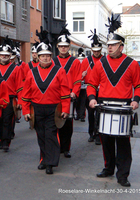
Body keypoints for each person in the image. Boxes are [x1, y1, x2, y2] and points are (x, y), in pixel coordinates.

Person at [87, 14, 140, 187]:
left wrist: (135, 100)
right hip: (104, 106)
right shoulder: (100, 63)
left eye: (113, 45)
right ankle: (108, 168)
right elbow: (91, 84)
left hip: (123, 107)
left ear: (121, 46)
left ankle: (123, 175)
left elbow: (139, 85)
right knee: (106, 141)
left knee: (123, 144)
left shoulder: (132, 64)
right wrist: (91, 98)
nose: (109, 48)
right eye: (108, 45)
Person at [22, 26, 70, 174]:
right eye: (42, 56)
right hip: (37, 108)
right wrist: (25, 110)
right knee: (41, 136)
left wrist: (65, 110)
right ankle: (43, 158)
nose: (45, 58)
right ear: (38, 56)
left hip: (53, 108)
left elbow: (65, 92)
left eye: (48, 56)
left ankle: (50, 163)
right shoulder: (31, 72)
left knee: (50, 136)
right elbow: (26, 93)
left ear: (51, 56)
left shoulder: (59, 71)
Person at [52, 24, 82, 158]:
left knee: (67, 124)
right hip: (55, 96)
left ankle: (66, 148)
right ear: (57, 47)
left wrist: (74, 92)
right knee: (55, 122)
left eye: (65, 46)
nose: (63, 48)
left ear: (69, 47)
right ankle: (57, 146)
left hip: (69, 95)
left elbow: (77, 80)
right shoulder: (53, 61)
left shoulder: (75, 62)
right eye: (61, 46)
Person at [0, 36, 23, 152]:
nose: (4, 56)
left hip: (10, 98)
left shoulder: (16, 69)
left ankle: (5, 142)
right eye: (2, 54)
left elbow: (20, 86)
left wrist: (20, 101)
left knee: (7, 121)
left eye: (6, 55)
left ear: (10, 55)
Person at [82, 29, 104, 145]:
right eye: (94, 51)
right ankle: (91, 132)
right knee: (90, 113)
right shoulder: (86, 61)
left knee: (100, 113)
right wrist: (82, 75)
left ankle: (98, 134)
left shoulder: (104, 60)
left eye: (98, 50)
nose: (96, 52)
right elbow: (79, 77)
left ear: (100, 50)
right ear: (91, 50)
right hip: (89, 90)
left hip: (101, 90)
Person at [75, 48, 86, 122]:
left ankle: (82, 116)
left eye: (82, 59)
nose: (80, 60)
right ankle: (78, 114)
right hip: (77, 85)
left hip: (84, 86)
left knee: (83, 102)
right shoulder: (76, 64)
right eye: (79, 59)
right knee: (77, 102)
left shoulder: (86, 64)